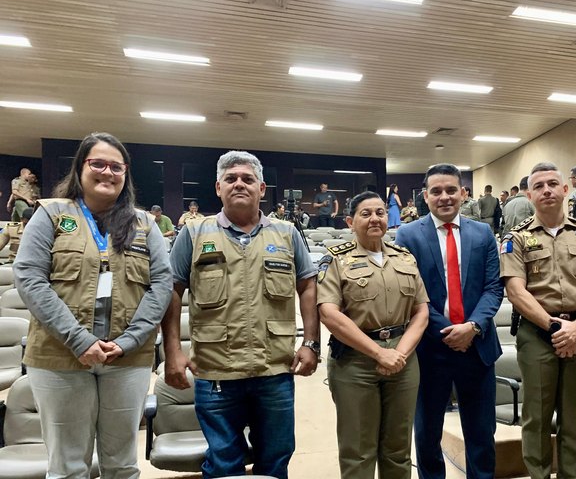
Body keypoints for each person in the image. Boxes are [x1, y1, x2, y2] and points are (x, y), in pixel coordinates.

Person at [13, 132, 172, 478]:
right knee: (68, 465)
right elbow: (29, 278)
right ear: (80, 168)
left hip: (127, 357)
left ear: (125, 173)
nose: (107, 172)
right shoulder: (51, 214)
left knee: (122, 464)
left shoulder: (144, 224)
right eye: (97, 163)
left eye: (116, 167)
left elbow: (161, 285)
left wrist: (130, 340)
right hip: (59, 356)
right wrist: (79, 340)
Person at [161, 150, 320, 479]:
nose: (239, 184)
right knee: (223, 461)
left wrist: (311, 343)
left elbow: (307, 286)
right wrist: (173, 351)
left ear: (262, 189)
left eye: (248, 179)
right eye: (231, 179)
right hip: (216, 370)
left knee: (275, 459)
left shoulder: (287, 234)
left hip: (275, 368)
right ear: (218, 188)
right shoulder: (193, 234)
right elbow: (172, 292)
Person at [500, 162, 576, 479]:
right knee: (536, 415)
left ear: (565, 190)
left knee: (575, 416)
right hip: (537, 334)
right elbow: (515, 291)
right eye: (539, 186)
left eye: (552, 184)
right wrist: (555, 327)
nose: (546, 190)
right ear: (530, 195)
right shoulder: (516, 238)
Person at [396, 163, 504, 479]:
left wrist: (472, 327)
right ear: (426, 196)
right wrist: (447, 329)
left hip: (478, 344)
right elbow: (412, 293)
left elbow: (493, 287)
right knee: (428, 433)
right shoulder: (407, 235)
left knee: (482, 433)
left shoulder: (482, 233)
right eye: (437, 191)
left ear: (463, 193)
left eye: (451, 190)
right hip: (431, 348)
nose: (445, 197)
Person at [317, 191, 429, 479]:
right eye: (366, 213)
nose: (375, 218)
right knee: (358, 449)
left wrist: (399, 354)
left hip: (403, 361)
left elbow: (421, 312)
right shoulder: (336, 260)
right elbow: (329, 314)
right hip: (355, 362)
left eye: (380, 212)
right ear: (350, 221)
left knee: (398, 448)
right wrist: (380, 353)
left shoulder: (404, 258)